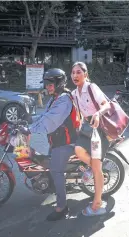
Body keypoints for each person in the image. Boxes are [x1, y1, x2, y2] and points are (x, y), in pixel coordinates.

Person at [28, 68, 79, 221]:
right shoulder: (55, 97)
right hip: (57, 140)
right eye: (46, 84)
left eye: (50, 84)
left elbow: (50, 122)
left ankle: (62, 207)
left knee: (56, 171)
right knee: (45, 161)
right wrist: (27, 119)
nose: (47, 87)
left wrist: (28, 129)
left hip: (66, 142)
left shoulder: (64, 99)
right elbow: (45, 115)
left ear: (59, 83)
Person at [71, 62, 111, 216]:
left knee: (97, 166)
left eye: (79, 72)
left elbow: (106, 105)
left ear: (85, 74)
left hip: (98, 130)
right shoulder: (75, 93)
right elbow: (80, 113)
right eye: (73, 72)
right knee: (78, 150)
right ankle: (93, 168)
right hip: (87, 129)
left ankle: (98, 203)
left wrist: (98, 114)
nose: (75, 75)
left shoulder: (91, 87)